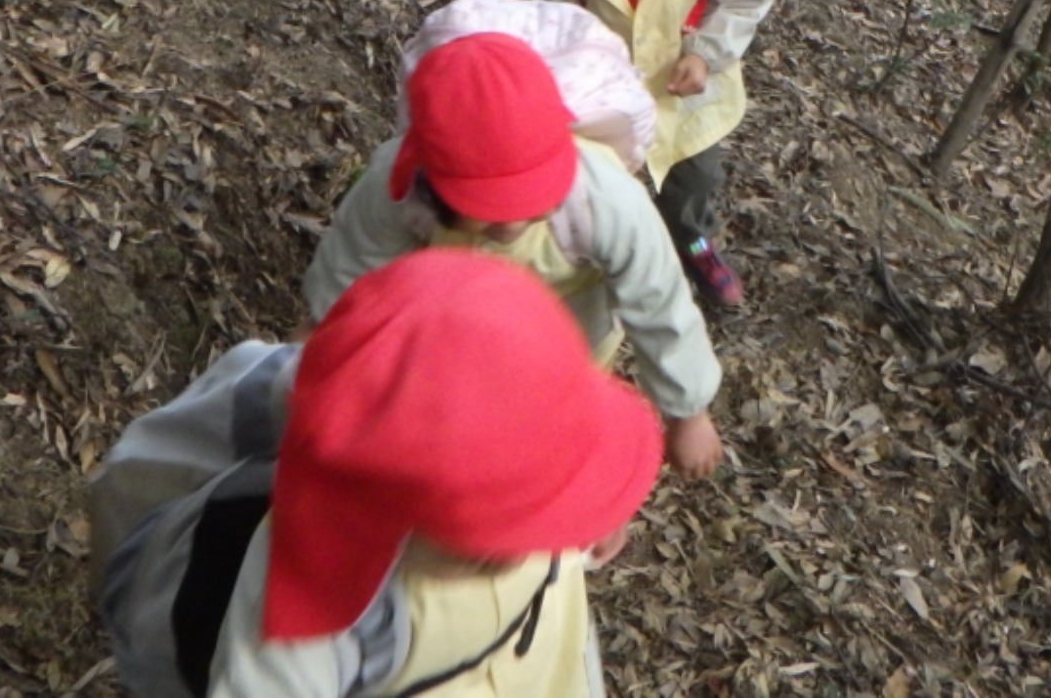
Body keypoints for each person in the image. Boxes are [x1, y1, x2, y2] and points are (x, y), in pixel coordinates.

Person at [100, 250, 663, 698]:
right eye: (500, 543)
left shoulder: (492, 406)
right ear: (394, 522)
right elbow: (143, 473)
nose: (533, 550)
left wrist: (589, 513)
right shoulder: (303, 623)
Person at [302, 15, 726, 477]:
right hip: (449, 321)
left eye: (530, 197)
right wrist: (312, 352)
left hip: (566, 329)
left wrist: (688, 412)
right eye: (485, 205)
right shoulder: (398, 188)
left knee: (544, 426)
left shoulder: (605, 199)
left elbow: (659, 303)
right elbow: (349, 272)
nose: (510, 224)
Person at [532, 0, 773, 307]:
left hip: (686, 102)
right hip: (604, 105)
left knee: (693, 183)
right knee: (604, 188)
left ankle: (696, 246)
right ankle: (604, 270)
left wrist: (706, 53)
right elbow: (548, 30)